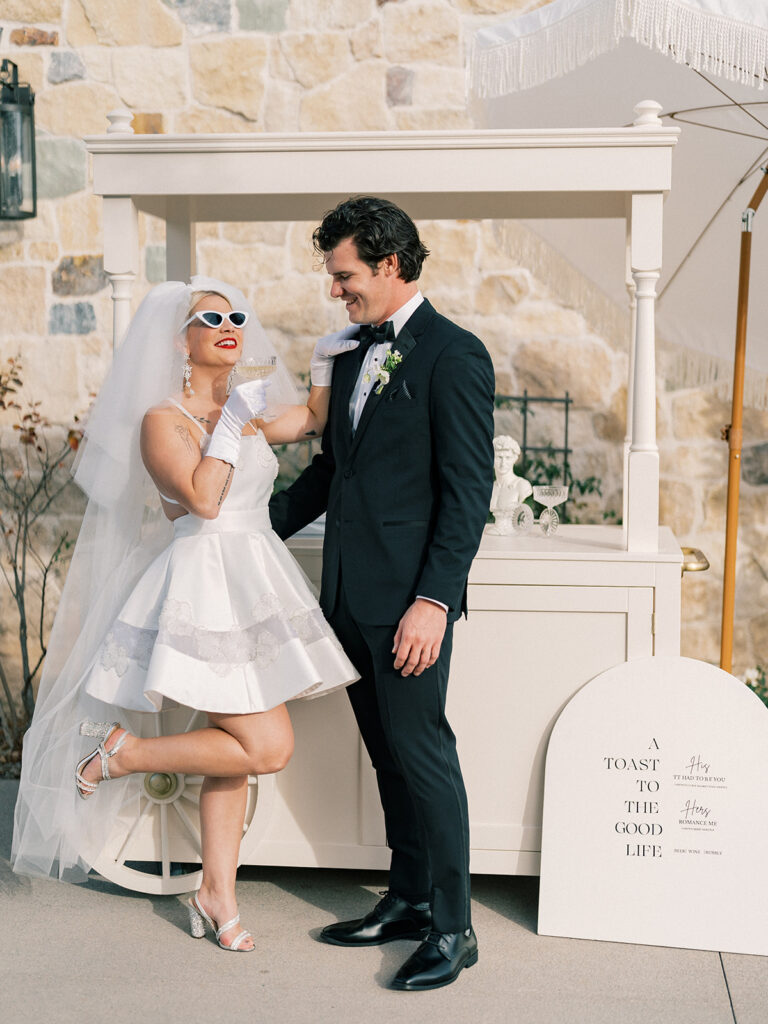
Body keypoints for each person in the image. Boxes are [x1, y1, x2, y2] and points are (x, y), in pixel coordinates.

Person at [11, 277, 358, 951]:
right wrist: (231, 423)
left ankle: (215, 892)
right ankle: (120, 755)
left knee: (235, 752)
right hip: (203, 584)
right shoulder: (160, 421)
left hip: (254, 581)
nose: (230, 325)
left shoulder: (246, 405)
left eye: (236, 316)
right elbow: (201, 498)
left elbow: (308, 420)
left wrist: (322, 363)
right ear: (181, 340)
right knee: (269, 745)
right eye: (211, 318)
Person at [269, 197, 495, 991]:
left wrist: (433, 602)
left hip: (408, 608)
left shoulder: (453, 356)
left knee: (426, 757)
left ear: (390, 264)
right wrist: (250, 526)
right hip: (350, 601)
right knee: (390, 758)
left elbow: (468, 494)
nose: (337, 291)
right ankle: (405, 900)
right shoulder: (356, 353)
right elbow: (335, 471)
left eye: (346, 275)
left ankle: (454, 927)